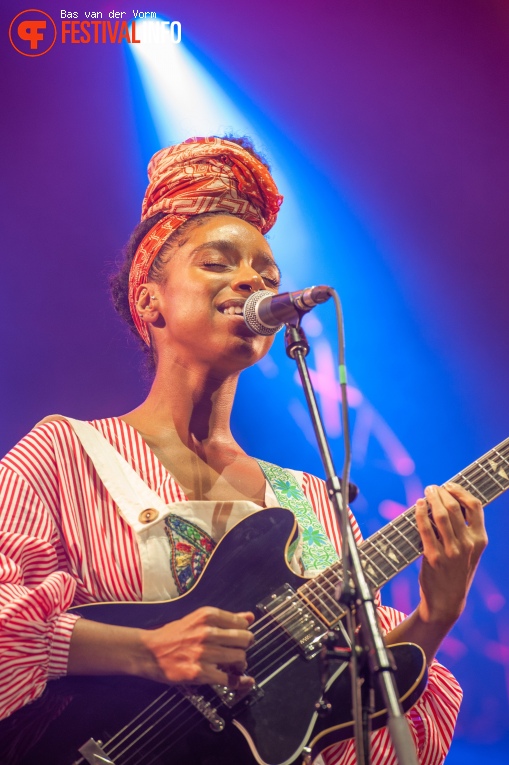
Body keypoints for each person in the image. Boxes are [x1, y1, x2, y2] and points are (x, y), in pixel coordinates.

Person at [0, 136, 487, 765]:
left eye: (268, 274)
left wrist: (435, 614)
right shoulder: (66, 454)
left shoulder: (313, 498)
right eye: (218, 262)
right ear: (151, 301)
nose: (252, 280)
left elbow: (353, 726)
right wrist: (145, 650)